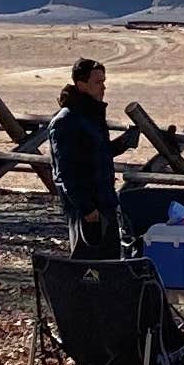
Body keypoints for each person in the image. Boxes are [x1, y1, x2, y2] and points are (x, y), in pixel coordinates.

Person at [49, 56, 136, 258]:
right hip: (87, 207)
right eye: (98, 82)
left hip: (104, 200)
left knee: (108, 262)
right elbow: (65, 171)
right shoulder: (66, 121)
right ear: (81, 85)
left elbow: (96, 153)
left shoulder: (91, 116)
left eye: (104, 81)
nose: (103, 87)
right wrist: (86, 207)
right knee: (87, 266)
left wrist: (123, 142)